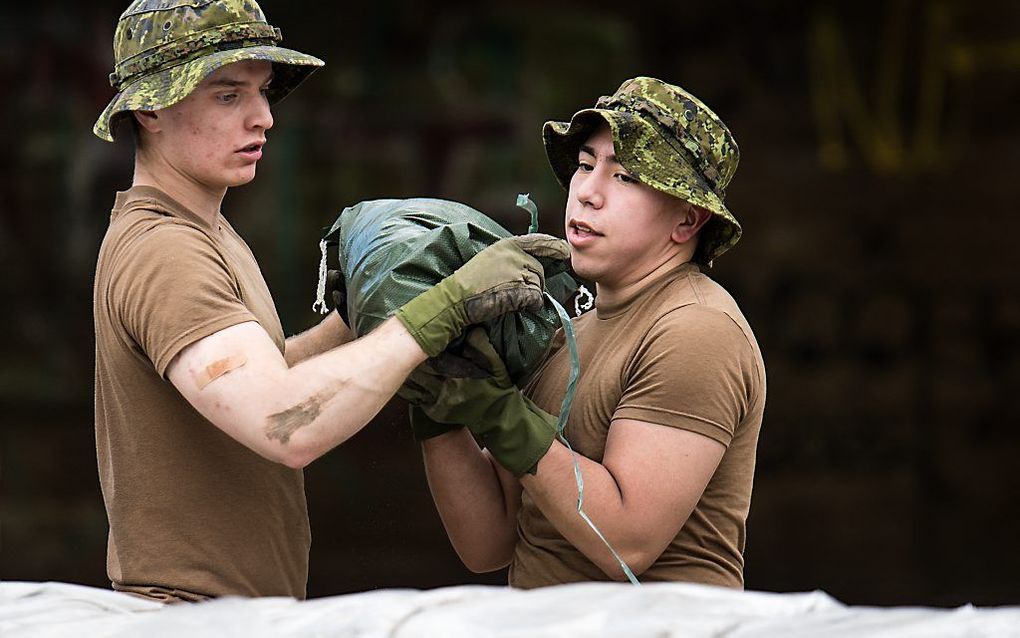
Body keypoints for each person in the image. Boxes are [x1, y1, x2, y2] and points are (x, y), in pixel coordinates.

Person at [91, 0, 567, 602]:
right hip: (188, 616)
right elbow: (279, 423)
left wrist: (356, 320)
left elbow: (255, 378)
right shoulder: (166, 252)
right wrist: (438, 311)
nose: (263, 117)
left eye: (263, 93)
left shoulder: (203, 228)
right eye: (228, 95)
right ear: (151, 108)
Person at [412, 77, 766, 588]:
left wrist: (496, 410)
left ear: (687, 221)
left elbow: (626, 542)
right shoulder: (566, 336)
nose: (587, 193)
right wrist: (437, 396)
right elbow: (487, 543)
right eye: (584, 165)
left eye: (623, 177)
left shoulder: (696, 330)